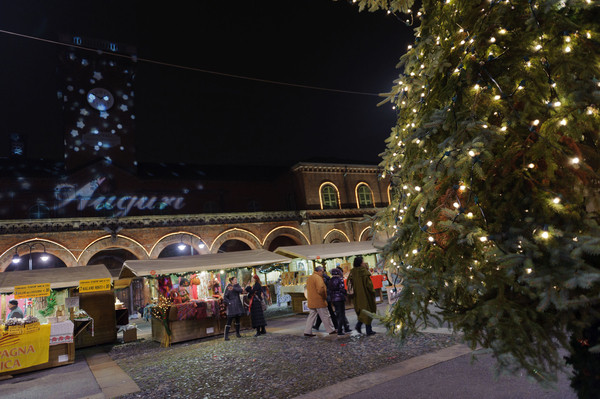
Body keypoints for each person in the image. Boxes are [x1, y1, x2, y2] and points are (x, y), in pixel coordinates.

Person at [303, 266, 336, 337]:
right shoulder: (318, 278)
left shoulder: (310, 277)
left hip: (311, 300)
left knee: (311, 316)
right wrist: (324, 296)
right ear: (319, 271)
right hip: (319, 300)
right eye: (322, 271)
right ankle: (331, 330)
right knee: (325, 316)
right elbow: (321, 289)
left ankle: (307, 331)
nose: (323, 273)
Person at [348, 256, 377, 335]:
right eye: (363, 262)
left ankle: (359, 325)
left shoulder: (352, 272)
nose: (364, 263)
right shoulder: (364, 272)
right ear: (360, 263)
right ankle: (368, 330)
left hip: (357, 296)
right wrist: (373, 292)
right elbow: (369, 285)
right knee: (368, 310)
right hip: (365, 295)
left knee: (361, 311)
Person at [329, 267, 351, 335]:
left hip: (334, 299)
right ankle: (340, 330)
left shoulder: (331, 280)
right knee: (342, 314)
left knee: (338, 314)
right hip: (340, 298)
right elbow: (342, 289)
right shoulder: (340, 279)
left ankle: (345, 328)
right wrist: (346, 293)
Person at [223, 277, 244, 341]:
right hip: (232, 306)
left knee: (237, 320)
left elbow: (240, 290)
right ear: (231, 281)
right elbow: (225, 297)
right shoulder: (228, 287)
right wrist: (229, 303)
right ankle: (226, 336)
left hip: (237, 304)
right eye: (235, 280)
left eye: (236, 279)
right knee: (229, 321)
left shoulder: (237, 286)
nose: (236, 281)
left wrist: (234, 288)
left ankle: (237, 333)